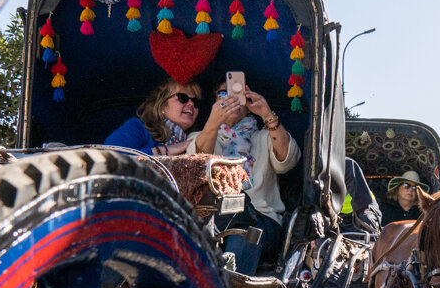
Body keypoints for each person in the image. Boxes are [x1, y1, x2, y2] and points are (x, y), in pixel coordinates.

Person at [195, 76, 301, 265]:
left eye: (237, 92)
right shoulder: (201, 137)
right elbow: (197, 165)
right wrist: (213, 122)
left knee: (246, 233)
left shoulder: (264, 137)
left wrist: (267, 114)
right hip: (213, 223)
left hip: (261, 221)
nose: (230, 98)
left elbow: (288, 160)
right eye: (223, 94)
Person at [106, 80, 204, 156]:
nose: (191, 104)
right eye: (183, 98)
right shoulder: (138, 127)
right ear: (162, 105)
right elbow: (110, 157)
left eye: (195, 102)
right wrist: (164, 151)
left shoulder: (197, 141)